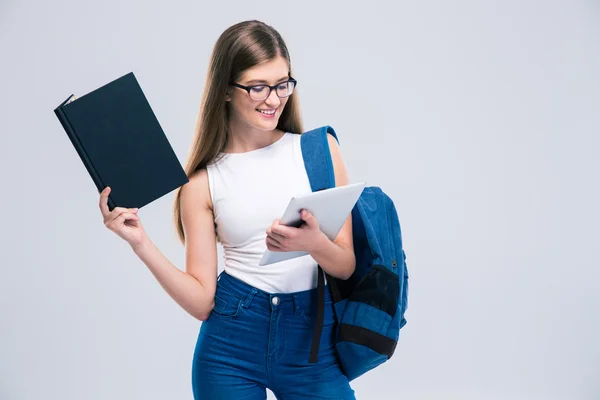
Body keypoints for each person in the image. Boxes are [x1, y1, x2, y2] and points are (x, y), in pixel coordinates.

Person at [98, 20, 357, 399]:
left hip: (311, 344)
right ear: (225, 91)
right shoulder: (202, 183)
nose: (273, 99)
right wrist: (140, 243)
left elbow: (346, 265)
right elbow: (203, 302)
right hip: (231, 345)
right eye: (258, 87)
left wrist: (315, 242)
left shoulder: (319, 151)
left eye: (282, 84)